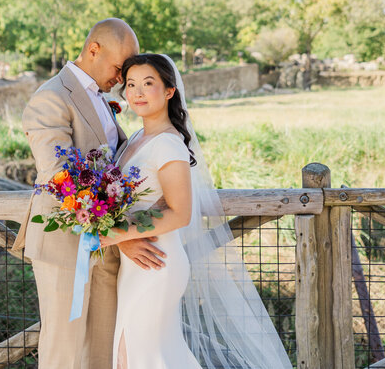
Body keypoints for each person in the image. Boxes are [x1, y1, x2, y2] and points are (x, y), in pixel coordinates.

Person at [100, 54, 291, 369]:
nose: (137, 92)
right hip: (135, 264)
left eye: (148, 84)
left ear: (169, 91)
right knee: (140, 357)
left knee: (137, 357)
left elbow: (180, 214)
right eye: (131, 84)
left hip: (157, 265)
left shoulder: (168, 145)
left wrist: (119, 234)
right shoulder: (136, 138)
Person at [13, 19, 166, 369]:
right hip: (65, 247)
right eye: (118, 68)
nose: (121, 78)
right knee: (63, 353)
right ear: (93, 49)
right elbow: (60, 177)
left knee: (103, 351)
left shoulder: (101, 98)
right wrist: (119, 235)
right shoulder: (50, 98)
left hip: (107, 250)